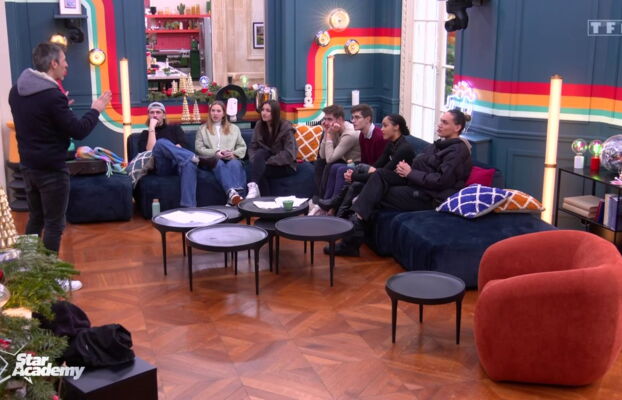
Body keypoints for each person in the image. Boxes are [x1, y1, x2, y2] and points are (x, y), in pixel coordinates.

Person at [8, 42, 111, 255]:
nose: (67, 65)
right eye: (64, 61)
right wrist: (95, 110)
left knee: (35, 219)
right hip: (51, 170)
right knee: (54, 224)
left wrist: (61, 109)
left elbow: (37, 121)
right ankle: (49, 272)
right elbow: (79, 131)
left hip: (28, 167)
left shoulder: (15, 91)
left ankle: (28, 264)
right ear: (53, 63)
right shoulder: (52, 97)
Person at [330, 109, 473, 256]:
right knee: (379, 175)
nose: (439, 124)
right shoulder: (438, 145)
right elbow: (419, 165)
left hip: (429, 197)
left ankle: (352, 234)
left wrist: (410, 173)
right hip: (415, 184)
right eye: (440, 121)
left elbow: (441, 181)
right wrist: (406, 169)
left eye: (445, 122)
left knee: (374, 192)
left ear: (457, 127)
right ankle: (352, 228)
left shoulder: (457, 151)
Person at [320, 114, 416, 217]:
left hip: (398, 181)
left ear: (396, 127)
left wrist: (354, 176)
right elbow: (378, 164)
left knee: (356, 184)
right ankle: (336, 205)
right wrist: (357, 174)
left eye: (385, 126)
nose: (382, 129)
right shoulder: (391, 143)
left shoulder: (404, 148)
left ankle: (339, 213)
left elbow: (382, 172)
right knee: (358, 169)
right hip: (384, 175)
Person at [138, 102, 211, 208]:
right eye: (152, 113)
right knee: (160, 143)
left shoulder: (175, 128)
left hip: (179, 163)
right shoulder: (145, 134)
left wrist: (174, 149)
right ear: (148, 115)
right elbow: (150, 151)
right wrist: (152, 128)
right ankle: (193, 157)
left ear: (164, 115)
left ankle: (189, 207)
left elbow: (184, 145)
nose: (155, 115)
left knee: (189, 164)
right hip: (162, 167)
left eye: (158, 112)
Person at [320, 104, 388, 209]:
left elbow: (378, 164)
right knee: (332, 166)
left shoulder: (378, 136)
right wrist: (327, 133)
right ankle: (325, 202)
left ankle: (333, 207)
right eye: (352, 117)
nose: (353, 121)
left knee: (341, 169)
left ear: (368, 119)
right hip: (362, 165)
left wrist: (356, 173)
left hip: (374, 170)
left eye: (357, 117)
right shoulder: (362, 134)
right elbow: (322, 156)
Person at [309, 104, 361, 214]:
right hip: (344, 160)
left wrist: (329, 135)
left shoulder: (349, 134)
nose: (326, 122)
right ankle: (322, 200)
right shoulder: (334, 129)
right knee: (320, 162)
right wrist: (326, 133)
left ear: (340, 120)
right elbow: (323, 156)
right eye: (325, 119)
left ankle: (328, 205)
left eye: (329, 119)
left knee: (331, 165)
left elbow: (329, 159)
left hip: (355, 163)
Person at [195, 100, 247, 205]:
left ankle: (234, 198)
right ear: (210, 112)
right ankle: (235, 196)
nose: (215, 113)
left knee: (235, 163)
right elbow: (199, 148)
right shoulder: (202, 129)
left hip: (229, 158)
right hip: (211, 160)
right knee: (218, 163)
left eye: (218, 111)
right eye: (213, 111)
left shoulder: (234, 128)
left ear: (223, 114)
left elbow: (242, 146)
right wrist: (215, 153)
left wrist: (233, 154)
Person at [247, 100, 297, 198]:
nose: (264, 113)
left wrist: (266, 162)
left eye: (268, 111)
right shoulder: (259, 125)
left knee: (260, 170)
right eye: (262, 110)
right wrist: (255, 161)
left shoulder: (285, 127)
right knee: (260, 154)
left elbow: (289, 154)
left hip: (285, 164)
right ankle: (254, 188)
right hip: (265, 158)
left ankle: (263, 198)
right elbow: (253, 147)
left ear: (275, 113)